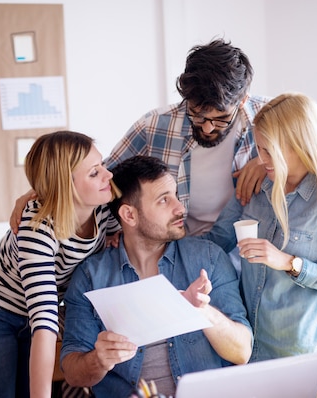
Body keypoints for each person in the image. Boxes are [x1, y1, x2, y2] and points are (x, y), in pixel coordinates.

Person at [10, 39, 271, 237]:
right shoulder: (155, 125)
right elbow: (102, 177)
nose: (206, 128)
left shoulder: (272, 118)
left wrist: (271, 161)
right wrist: (43, 190)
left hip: (246, 248)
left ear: (243, 101)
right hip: (180, 247)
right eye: (197, 115)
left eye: (220, 118)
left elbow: (310, 159)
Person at [60, 156, 253, 398]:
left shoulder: (208, 259)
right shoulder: (91, 277)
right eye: (164, 200)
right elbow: (73, 373)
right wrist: (99, 359)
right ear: (129, 215)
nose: (180, 207)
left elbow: (242, 351)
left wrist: (202, 312)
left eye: (175, 195)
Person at [204, 93, 317, 361]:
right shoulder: (256, 187)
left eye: (270, 150)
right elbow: (215, 241)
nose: (262, 159)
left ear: (300, 145)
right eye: (260, 149)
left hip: (293, 354)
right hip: (242, 347)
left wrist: (289, 263)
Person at [0, 131, 121, 398]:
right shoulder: (37, 229)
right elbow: (44, 323)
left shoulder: (103, 207)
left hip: (38, 313)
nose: (108, 175)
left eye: (102, 165)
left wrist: (118, 238)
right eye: (94, 172)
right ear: (65, 185)